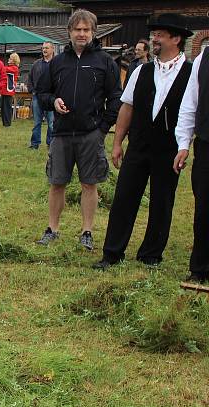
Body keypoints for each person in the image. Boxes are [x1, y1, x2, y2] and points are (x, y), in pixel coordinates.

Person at [94, 14, 192, 271]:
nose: (154, 39)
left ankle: (151, 254)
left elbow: (192, 111)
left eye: (159, 35)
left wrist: (185, 145)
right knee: (124, 197)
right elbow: (127, 107)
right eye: (154, 35)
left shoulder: (191, 73)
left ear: (176, 38)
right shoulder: (142, 71)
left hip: (168, 148)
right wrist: (117, 142)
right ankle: (112, 253)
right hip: (138, 145)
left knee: (162, 201)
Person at [35, 9, 122, 250]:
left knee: (89, 184)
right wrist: (53, 102)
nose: (81, 34)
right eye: (77, 29)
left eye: (86, 30)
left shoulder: (105, 62)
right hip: (61, 133)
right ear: (69, 32)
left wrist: (102, 128)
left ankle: (87, 231)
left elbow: (116, 98)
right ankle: (52, 228)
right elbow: (42, 93)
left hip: (90, 133)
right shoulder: (57, 63)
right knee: (57, 182)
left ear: (94, 33)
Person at [174, 38, 209, 284]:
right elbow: (190, 103)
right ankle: (200, 268)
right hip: (207, 143)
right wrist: (183, 144)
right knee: (204, 206)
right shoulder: (202, 59)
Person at [28, 41, 55, 150]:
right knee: (37, 122)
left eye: (47, 48)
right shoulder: (36, 64)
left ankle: (51, 144)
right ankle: (35, 144)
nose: (44, 50)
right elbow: (30, 78)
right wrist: (32, 90)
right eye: (43, 48)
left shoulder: (57, 63)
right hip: (38, 96)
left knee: (51, 123)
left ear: (52, 49)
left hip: (51, 97)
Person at [1, 52, 20, 127]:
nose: (9, 59)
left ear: (14, 60)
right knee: (3, 107)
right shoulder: (10, 67)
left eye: (10, 58)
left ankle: (7, 123)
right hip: (5, 89)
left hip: (9, 90)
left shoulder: (14, 68)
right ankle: (5, 122)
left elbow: (5, 69)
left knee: (7, 107)